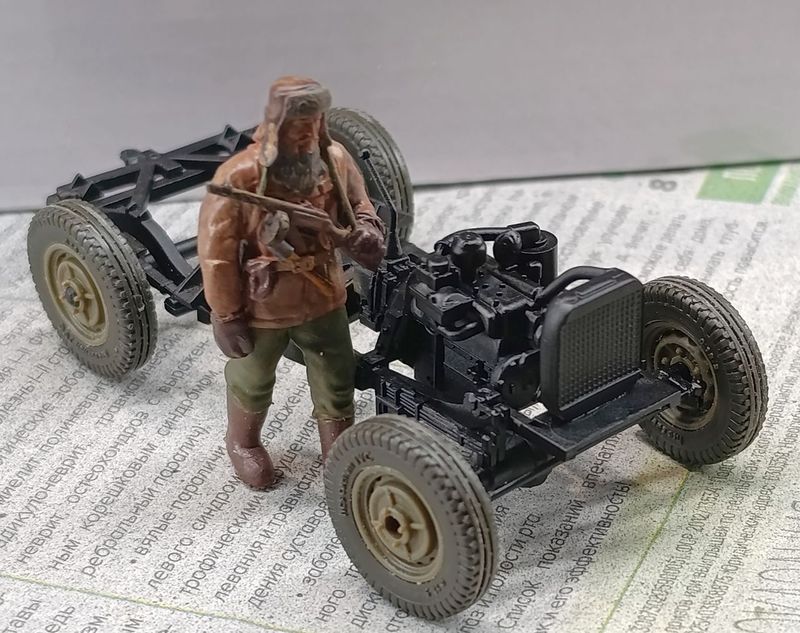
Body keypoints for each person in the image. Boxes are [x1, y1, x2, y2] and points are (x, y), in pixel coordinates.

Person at [197, 76, 385, 488]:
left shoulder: (335, 160)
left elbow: (361, 205)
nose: (305, 134)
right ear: (275, 125)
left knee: (336, 374)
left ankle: (338, 453)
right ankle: (243, 442)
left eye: (312, 124)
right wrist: (225, 314)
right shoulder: (240, 178)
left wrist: (366, 230)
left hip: (323, 294)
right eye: (296, 126)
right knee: (253, 376)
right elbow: (216, 252)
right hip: (263, 304)